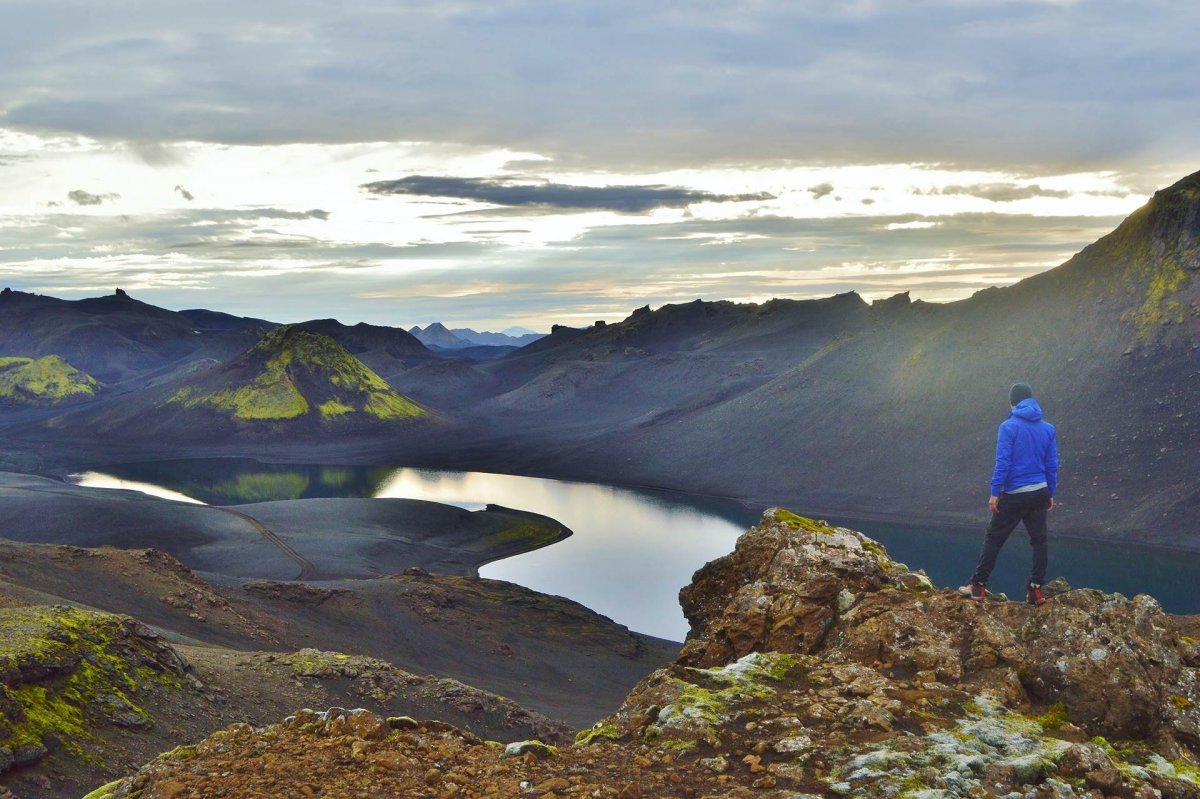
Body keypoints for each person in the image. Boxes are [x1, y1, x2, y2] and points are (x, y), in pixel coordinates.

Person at [960, 382, 1058, 605]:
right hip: (1040, 490)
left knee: (994, 537)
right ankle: (1036, 589)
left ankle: (978, 586)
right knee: (1039, 540)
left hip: (1015, 493)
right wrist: (1050, 492)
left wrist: (995, 492)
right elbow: (1052, 464)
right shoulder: (1048, 428)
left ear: (1013, 403)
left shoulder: (1008, 427)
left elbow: (1003, 462)